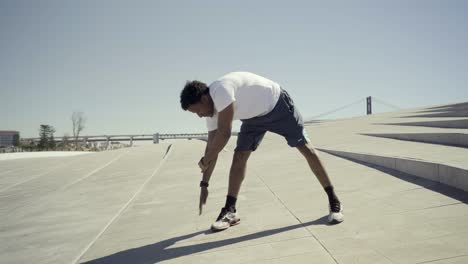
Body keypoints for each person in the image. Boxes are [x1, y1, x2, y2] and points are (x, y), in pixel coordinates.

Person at [180, 71, 343, 231]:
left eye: (197, 111)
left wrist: (205, 160)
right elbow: (211, 150)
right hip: (252, 120)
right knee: (239, 156)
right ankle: (230, 210)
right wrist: (204, 184)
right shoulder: (211, 113)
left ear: (204, 99)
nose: (199, 116)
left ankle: (333, 199)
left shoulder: (221, 90)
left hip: (278, 106)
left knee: (306, 149)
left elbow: (224, 134)